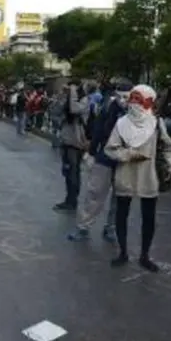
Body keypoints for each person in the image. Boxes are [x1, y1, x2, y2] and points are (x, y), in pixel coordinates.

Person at [104, 85, 171, 272]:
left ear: (148, 101)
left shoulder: (156, 123)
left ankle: (145, 255)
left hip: (148, 175)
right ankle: (123, 252)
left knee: (149, 217)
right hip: (125, 174)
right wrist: (128, 154)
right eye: (133, 99)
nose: (134, 103)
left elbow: (169, 147)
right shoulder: (121, 123)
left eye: (139, 99)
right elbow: (110, 148)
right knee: (122, 214)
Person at [68, 81, 132, 242]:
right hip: (105, 156)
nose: (122, 99)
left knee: (120, 198)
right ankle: (83, 228)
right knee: (95, 194)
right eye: (119, 96)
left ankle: (111, 228)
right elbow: (98, 129)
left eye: (126, 96)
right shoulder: (108, 107)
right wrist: (91, 153)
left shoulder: (137, 111)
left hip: (125, 159)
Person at [54, 81, 88, 211]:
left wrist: (72, 92)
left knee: (73, 173)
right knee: (67, 172)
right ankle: (68, 199)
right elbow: (55, 111)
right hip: (66, 141)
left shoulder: (84, 100)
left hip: (76, 143)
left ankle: (73, 201)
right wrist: (62, 96)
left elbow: (74, 110)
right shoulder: (68, 100)